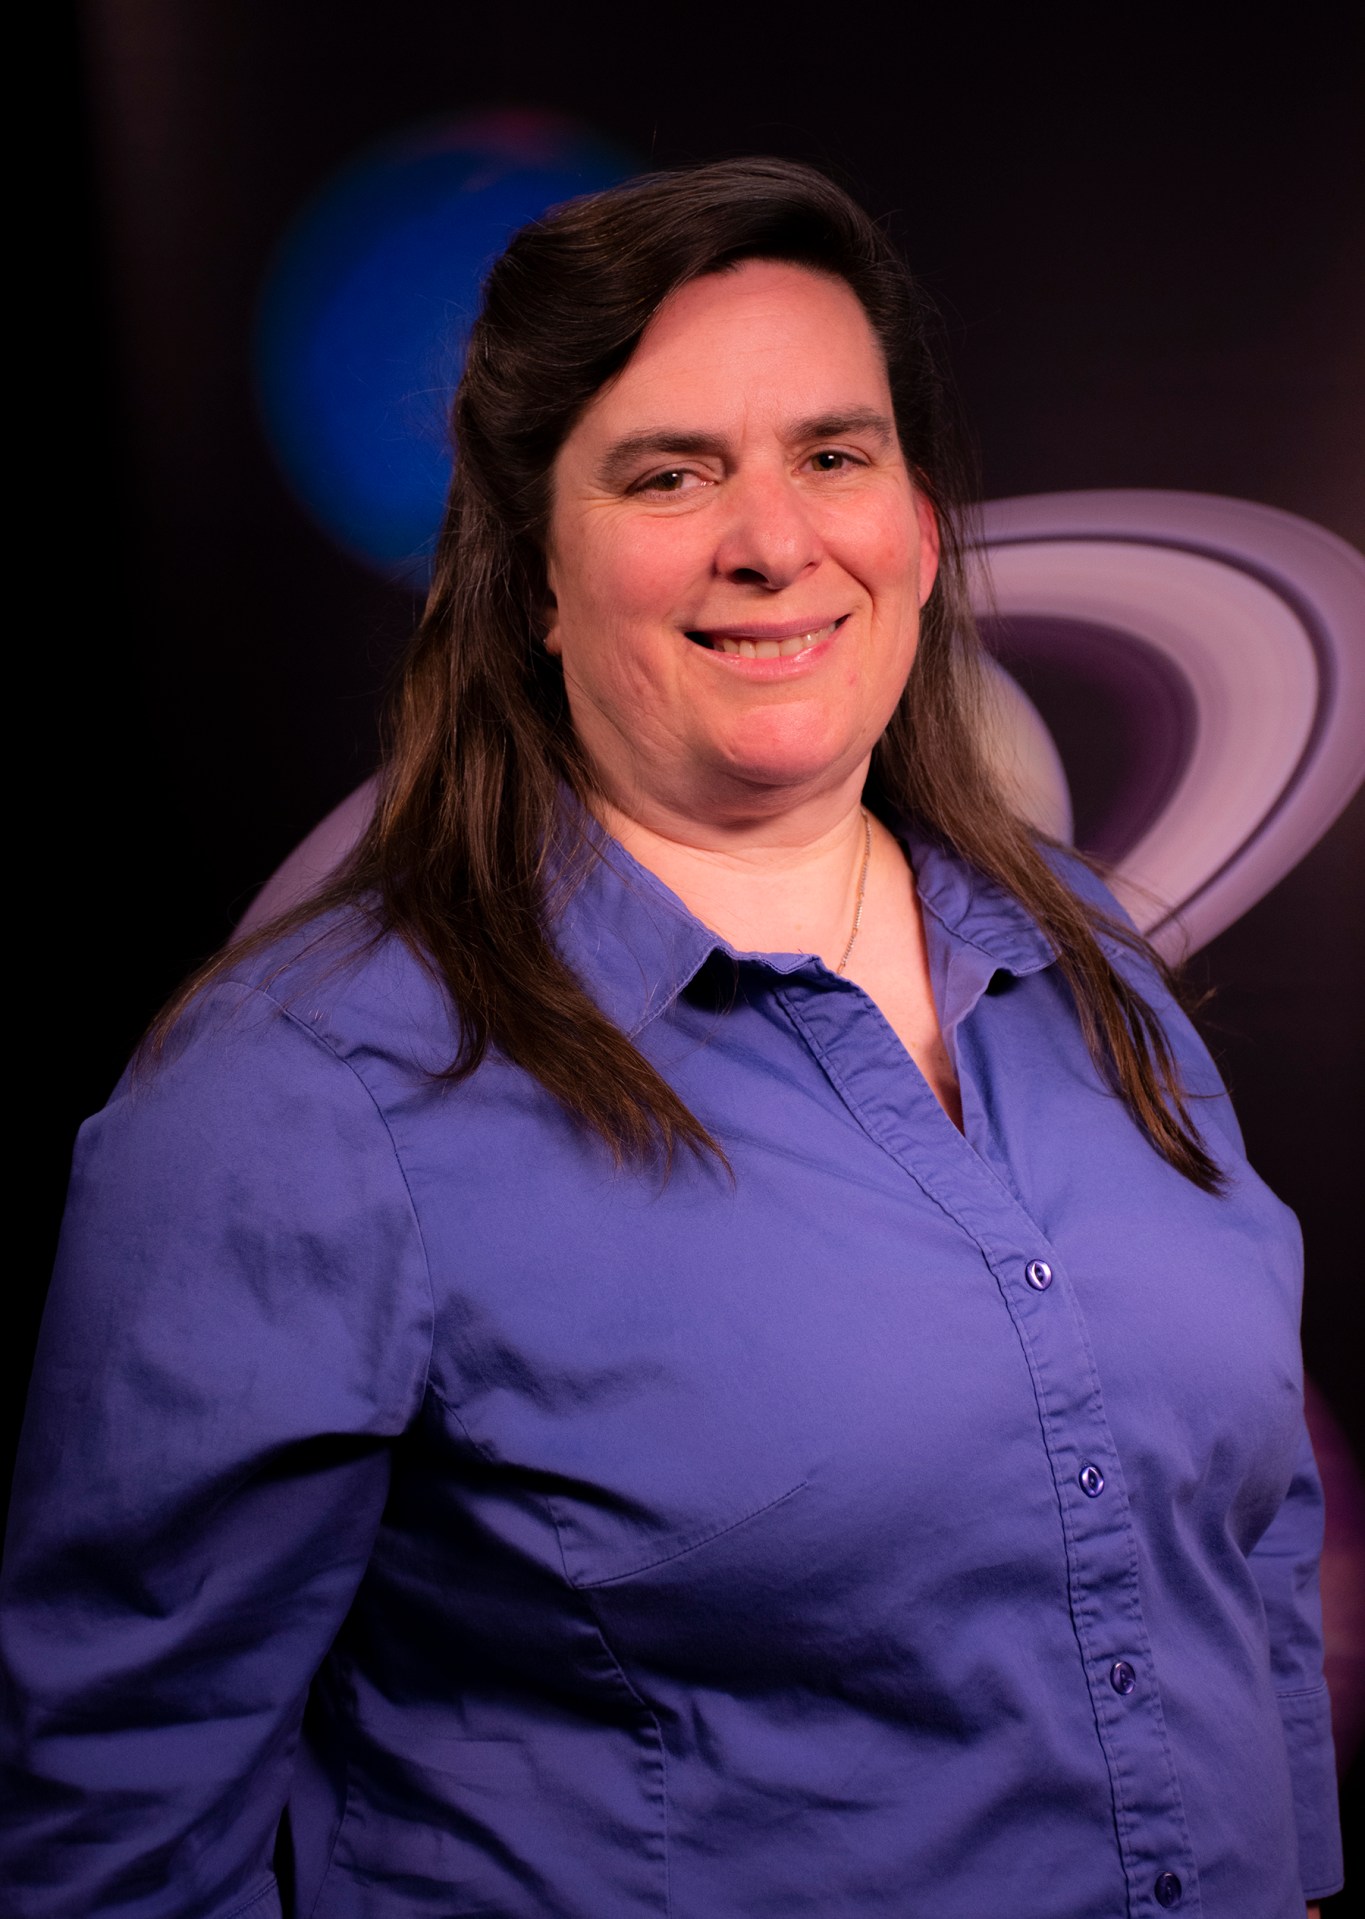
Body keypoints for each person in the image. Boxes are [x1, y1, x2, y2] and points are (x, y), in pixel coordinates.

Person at [1, 160, 1342, 1917]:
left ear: (919, 527)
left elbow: (1233, 1541)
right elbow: (127, 1828)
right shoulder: (307, 1098)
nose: (773, 541)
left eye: (832, 455)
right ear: (531, 579)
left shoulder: (1080, 955)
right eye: (669, 472)